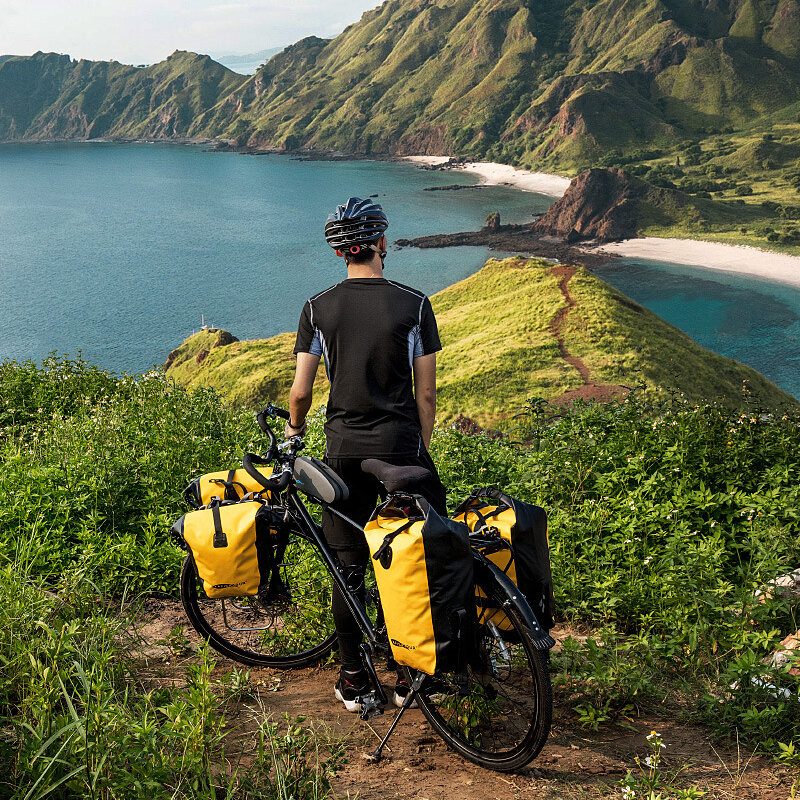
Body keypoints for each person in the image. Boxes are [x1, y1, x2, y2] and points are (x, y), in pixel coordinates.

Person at [287, 196, 448, 712]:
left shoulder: (316, 308)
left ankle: (355, 677)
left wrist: (295, 432)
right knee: (418, 555)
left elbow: (300, 393)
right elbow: (426, 395)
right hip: (400, 450)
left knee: (348, 565)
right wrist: (421, 450)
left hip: (344, 453)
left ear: (340, 252)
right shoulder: (414, 304)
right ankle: (412, 671)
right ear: (381, 242)